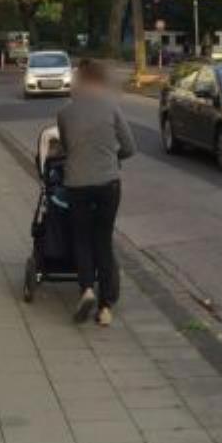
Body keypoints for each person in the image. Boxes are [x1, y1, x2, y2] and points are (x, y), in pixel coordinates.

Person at [55, 59, 135, 327]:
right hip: (108, 184)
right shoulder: (111, 107)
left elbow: (66, 148)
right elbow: (130, 146)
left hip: (77, 184)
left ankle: (87, 289)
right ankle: (105, 307)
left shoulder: (65, 113)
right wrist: (112, 158)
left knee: (81, 238)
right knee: (103, 239)